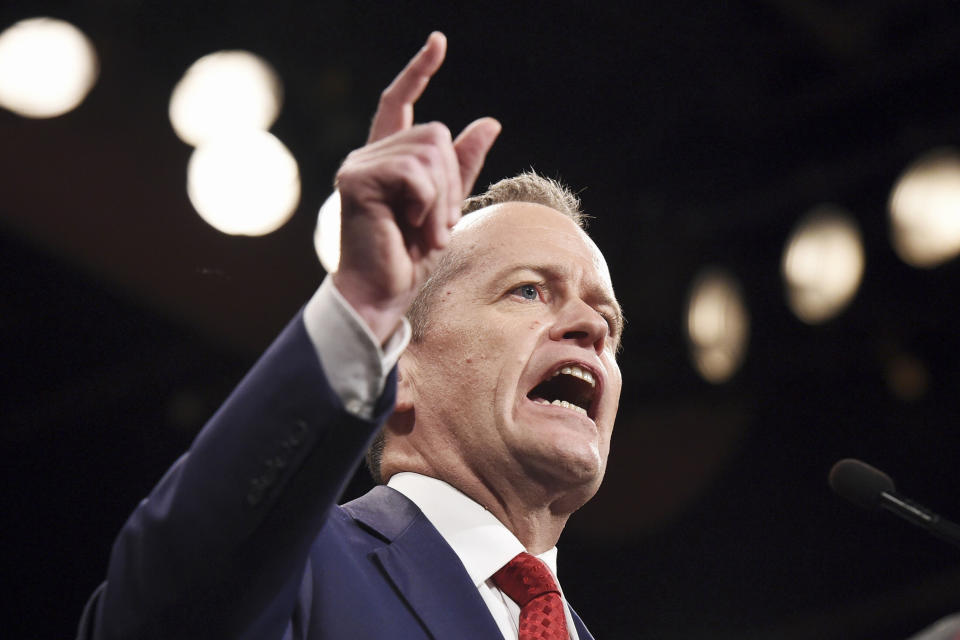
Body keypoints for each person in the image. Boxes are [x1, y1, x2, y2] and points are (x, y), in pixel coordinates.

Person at [77, 31, 623, 640]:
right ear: (399, 371)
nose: (591, 326)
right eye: (528, 290)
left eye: (608, 318)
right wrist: (359, 308)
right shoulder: (298, 572)